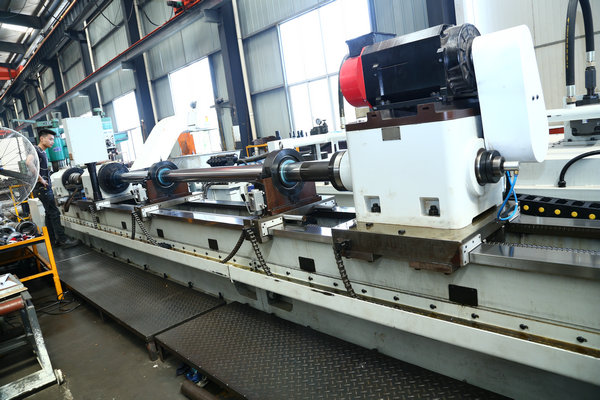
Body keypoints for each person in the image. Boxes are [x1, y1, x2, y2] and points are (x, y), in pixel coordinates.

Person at [26, 129, 78, 248]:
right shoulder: (36, 150)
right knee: (54, 212)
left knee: (49, 213)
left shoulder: (43, 152)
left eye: (53, 140)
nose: (52, 142)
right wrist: (40, 179)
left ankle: (52, 239)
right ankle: (63, 240)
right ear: (42, 138)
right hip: (42, 188)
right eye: (50, 139)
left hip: (44, 188)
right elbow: (29, 162)